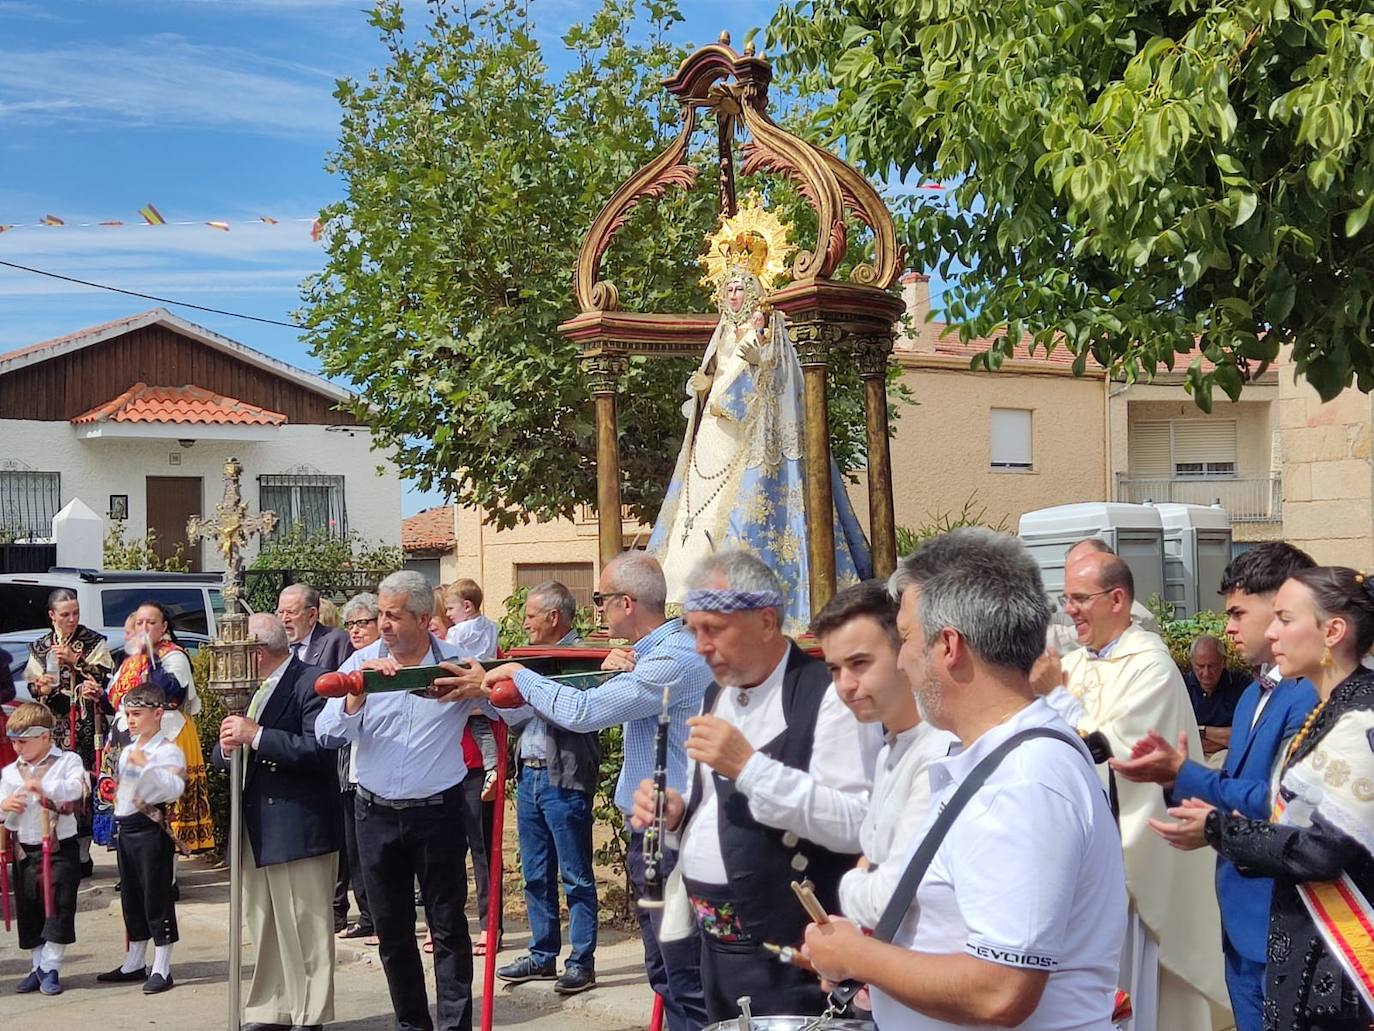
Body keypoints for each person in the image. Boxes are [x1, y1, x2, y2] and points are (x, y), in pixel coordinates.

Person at [801, 529, 1127, 1030]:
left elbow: (1001, 990)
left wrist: (857, 958)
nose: (904, 660)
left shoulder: (1023, 779)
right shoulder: (995, 759)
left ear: (949, 645)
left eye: (906, 638)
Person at [630, 550, 879, 1022]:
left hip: (791, 958)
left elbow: (856, 824)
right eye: (692, 629)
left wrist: (748, 766)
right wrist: (676, 813)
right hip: (709, 948)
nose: (700, 646)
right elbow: (715, 808)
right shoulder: (714, 693)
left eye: (714, 629)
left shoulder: (827, 696)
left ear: (766, 622)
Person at [484, 553, 712, 1023]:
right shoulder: (653, 655)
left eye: (600, 600)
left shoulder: (671, 658)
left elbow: (584, 713)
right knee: (667, 972)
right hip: (657, 829)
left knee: (684, 976)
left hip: (672, 832)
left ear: (626, 603)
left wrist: (518, 675)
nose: (596, 611)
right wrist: (617, 671)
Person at [1112, 541, 1319, 1031]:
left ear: (1281, 606)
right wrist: (1173, 783)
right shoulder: (1252, 696)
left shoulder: (1312, 694)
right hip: (1239, 918)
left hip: (1287, 919)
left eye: (1237, 612)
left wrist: (1188, 777)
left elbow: (1281, 802)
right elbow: (1231, 786)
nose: (1227, 627)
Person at [646, 196, 871, 635]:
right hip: (712, 430)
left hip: (747, 430)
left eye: (740, 287)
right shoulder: (723, 332)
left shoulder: (768, 328)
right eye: (727, 287)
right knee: (696, 509)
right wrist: (701, 387)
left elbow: (775, 380)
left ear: (754, 290)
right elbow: (713, 371)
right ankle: (682, 584)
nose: (732, 293)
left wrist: (756, 360)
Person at [316, 570, 528, 1031]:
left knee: (449, 929)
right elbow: (326, 734)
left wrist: (482, 689)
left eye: (393, 616)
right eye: (381, 615)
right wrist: (356, 695)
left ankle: (455, 1026)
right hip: (374, 813)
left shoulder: (459, 661)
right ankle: (412, 1023)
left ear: (422, 618)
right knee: (393, 935)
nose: (384, 625)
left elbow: (519, 709)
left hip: (438, 812)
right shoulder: (362, 661)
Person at [1170, 567, 1374, 1030]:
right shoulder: (1329, 710)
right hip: (1302, 945)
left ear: (1333, 631)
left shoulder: (1360, 716)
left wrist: (1217, 829)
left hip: (1340, 962)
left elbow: (1320, 849)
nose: (1272, 631)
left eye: (1285, 618)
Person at [1050, 551, 1229, 1028]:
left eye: (1080, 598)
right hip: (1076, 859)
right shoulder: (1071, 664)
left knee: (1135, 995)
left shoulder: (1151, 666)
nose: (1070, 609)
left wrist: (1051, 704)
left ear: (1117, 598)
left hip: (1134, 864)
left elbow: (1114, 753)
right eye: (1065, 598)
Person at [213, 613, 340, 1031]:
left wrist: (257, 735)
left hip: (297, 823)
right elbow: (228, 755)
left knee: (304, 923)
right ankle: (273, 1007)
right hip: (255, 825)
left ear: (257, 653)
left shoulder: (312, 681)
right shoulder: (251, 691)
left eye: (235, 652)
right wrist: (228, 746)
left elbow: (319, 750)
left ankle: (310, 1013)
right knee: (264, 921)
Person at [809, 581, 957, 931]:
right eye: (834, 669)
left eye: (859, 663)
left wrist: (852, 881)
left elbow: (889, 901)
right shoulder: (889, 750)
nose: (845, 684)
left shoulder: (942, 753)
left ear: (905, 652)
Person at [495, 580, 601, 993]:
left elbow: (575, 712)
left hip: (566, 776)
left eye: (531, 617)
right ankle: (542, 955)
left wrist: (526, 685)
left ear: (554, 617)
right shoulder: (531, 658)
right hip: (531, 774)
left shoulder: (583, 659)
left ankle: (581, 961)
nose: (525, 624)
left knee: (575, 875)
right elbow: (521, 716)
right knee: (535, 873)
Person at [98, 683, 185, 994]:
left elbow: (175, 787)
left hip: (150, 830)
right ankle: (134, 961)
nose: (131, 720)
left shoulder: (167, 750)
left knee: (156, 896)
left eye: (137, 714)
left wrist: (145, 769)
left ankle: (162, 965)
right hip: (128, 828)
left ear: (158, 713)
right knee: (132, 896)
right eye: (128, 714)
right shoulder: (130, 750)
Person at [107, 602, 214, 855]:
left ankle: (169, 873)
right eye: (140, 623)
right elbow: (117, 698)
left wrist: (151, 656)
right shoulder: (130, 659)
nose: (144, 628)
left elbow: (166, 690)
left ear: (164, 626)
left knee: (165, 803)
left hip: (167, 732)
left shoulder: (173, 655)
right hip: (130, 734)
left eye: (151, 623)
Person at [23, 588, 114, 876]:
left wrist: (77, 662)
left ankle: (84, 853)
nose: (72, 619)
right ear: (52, 616)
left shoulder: (92, 641)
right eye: (65, 614)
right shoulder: (40, 646)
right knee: (53, 782)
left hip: (85, 726)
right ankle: (55, 841)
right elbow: (31, 684)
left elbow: (104, 675)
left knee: (83, 785)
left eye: (75, 613)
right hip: (52, 726)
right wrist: (41, 686)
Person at [1, 701, 87, 996]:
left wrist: (46, 789)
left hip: (60, 848)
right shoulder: (12, 772)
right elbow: (3, 812)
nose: (17, 748)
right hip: (26, 850)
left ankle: (51, 966)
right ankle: (36, 966)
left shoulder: (67, 762)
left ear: (45, 737)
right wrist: (4, 806)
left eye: (23, 741)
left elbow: (78, 789)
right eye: (13, 742)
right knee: (30, 910)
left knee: (59, 908)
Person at [335, 592, 380, 946]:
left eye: (362, 623)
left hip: (383, 773)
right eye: (350, 624)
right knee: (354, 848)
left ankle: (379, 916)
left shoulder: (393, 660)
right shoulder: (351, 663)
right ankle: (367, 914)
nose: (355, 630)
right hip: (350, 767)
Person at [1045, 538, 1161, 655]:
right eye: (1069, 571)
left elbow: (1065, 640)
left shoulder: (1135, 617)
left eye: (1085, 566)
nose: (1070, 609)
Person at [1183, 635, 1250, 762]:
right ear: (1192, 662)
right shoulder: (1181, 685)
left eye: (1212, 666)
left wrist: (1201, 731)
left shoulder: (1241, 686)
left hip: (1227, 755)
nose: (1206, 673)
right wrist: (1224, 737)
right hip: (1190, 754)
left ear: (1223, 662)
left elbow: (1245, 735)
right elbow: (1177, 736)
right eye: (1200, 666)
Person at [277, 583, 353, 671]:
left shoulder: (338, 642)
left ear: (312, 614)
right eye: (280, 612)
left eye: (291, 612)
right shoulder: (273, 645)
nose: (284, 619)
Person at [444, 579, 500, 660]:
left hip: (464, 671)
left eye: (450, 609)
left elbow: (448, 658)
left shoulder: (456, 631)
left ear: (467, 606)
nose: (447, 614)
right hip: (489, 670)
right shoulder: (492, 627)